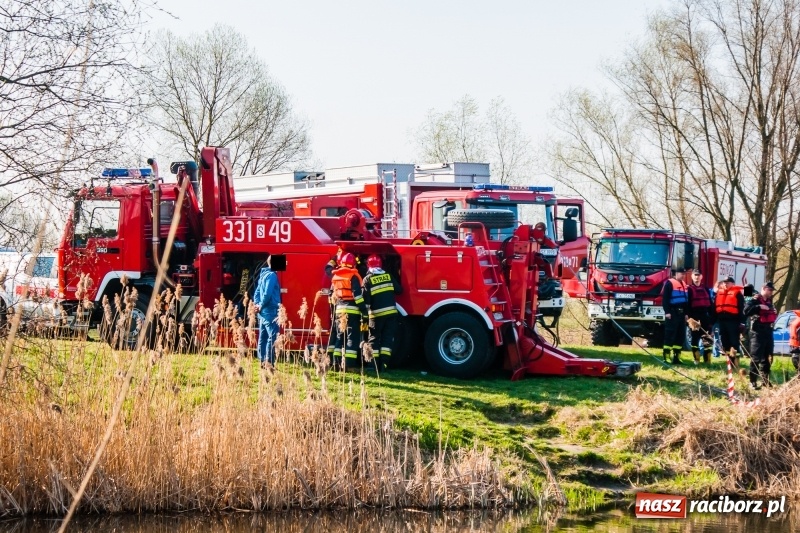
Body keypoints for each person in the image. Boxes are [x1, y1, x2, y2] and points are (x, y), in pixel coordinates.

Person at [326, 252, 368, 370]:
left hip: (339, 309)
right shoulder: (353, 276)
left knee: (339, 336)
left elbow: (328, 270)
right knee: (351, 337)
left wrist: (334, 258)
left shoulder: (336, 276)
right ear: (353, 264)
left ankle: (335, 363)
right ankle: (349, 364)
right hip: (352, 311)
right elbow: (357, 296)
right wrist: (364, 310)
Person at [361, 254, 403, 372]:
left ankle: (373, 365)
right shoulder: (388, 276)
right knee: (387, 339)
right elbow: (399, 290)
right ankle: (383, 365)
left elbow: (366, 301)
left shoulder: (367, 279)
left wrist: (364, 314)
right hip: (391, 314)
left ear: (368, 266)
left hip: (376, 315)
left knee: (374, 338)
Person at [743, 282, 778, 389]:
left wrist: (774, 311)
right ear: (763, 288)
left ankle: (765, 380)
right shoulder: (754, 299)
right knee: (756, 357)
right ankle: (752, 381)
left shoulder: (769, 301)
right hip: (757, 331)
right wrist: (759, 307)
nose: (771, 292)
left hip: (768, 330)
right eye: (769, 290)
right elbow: (746, 311)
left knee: (767, 357)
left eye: (772, 291)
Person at [253, 256, 281, 366]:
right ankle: (269, 362)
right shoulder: (272, 275)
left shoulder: (263, 275)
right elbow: (267, 294)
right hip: (270, 310)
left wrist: (257, 305)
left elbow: (257, 292)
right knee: (272, 336)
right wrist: (261, 305)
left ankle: (262, 361)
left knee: (262, 337)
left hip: (262, 312)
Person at [715, 276, 745, 370]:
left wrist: (742, 322)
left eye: (727, 282)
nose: (725, 284)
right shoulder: (719, 293)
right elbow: (714, 307)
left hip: (733, 321)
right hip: (722, 321)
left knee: (734, 342)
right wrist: (713, 321)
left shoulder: (738, 293)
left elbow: (742, 309)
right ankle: (729, 363)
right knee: (725, 342)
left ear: (733, 283)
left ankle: (735, 362)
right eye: (724, 282)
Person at [661, 267, 688, 364]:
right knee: (670, 334)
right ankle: (666, 356)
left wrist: (686, 314)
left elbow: (686, 301)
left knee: (680, 335)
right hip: (672, 313)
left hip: (681, 313)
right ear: (676, 274)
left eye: (684, 274)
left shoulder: (684, 284)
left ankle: (677, 357)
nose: (683, 275)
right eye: (681, 274)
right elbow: (665, 299)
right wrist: (667, 312)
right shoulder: (670, 283)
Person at [686, 268, 714, 364]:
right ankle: (696, 359)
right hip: (694, 317)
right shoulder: (689, 289)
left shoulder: (705, 288)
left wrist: (711, 319)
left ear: (701, 277)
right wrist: (689, 318)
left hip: (705, 316)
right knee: (694, 339)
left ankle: (707, 360)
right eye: (695, 275)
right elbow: (688, 304)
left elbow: (710, 304)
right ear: (692, 276)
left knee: (707, 339)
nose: (697, 277)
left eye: (698, 275)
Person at [789, 310, 800, 374]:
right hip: (796, 345)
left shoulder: (796, 320)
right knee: (796, 358)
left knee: (795, 358)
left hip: (795, 345)